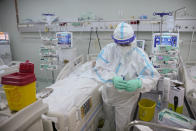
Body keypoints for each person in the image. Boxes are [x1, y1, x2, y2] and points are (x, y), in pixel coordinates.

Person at [93, 22, 160, 131]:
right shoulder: (108, 50)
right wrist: (112, 78)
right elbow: (98, 69)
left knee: (122, 126)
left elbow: (153, 76)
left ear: (133, 40)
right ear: (115, 42)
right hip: (108, 96)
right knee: (109, 122)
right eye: (121, 44)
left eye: (126, 44)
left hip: (126, 99)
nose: (123, 47)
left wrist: (139, 83)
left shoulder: (139, 55)